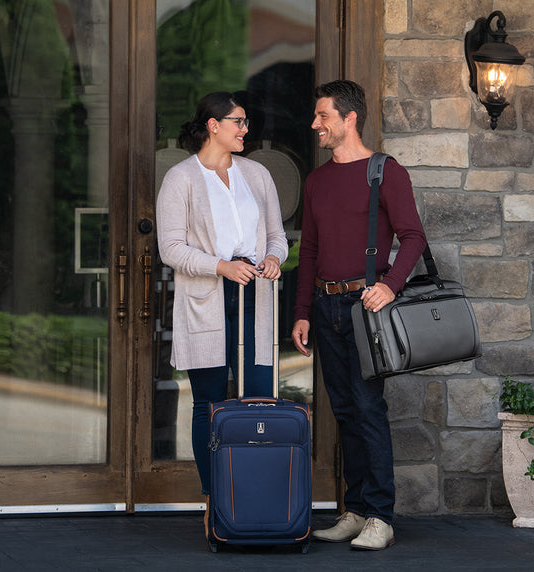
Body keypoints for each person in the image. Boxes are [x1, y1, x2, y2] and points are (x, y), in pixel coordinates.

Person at [291, 80, 426, 551]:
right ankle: (354, 510)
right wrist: (302, 310)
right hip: (325, 307)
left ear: (349, 118)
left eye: (322, 116)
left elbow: (413, 237)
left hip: (365, 308)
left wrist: (389, 286)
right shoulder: (317, 181)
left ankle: (380, 517)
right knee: (344, 412)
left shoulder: (385, 172)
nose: (315, 125)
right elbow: (308, 250)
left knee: (368, 409)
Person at [156, 91, 288, 530]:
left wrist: (273, 258)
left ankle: (257, 499)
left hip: (255, 293)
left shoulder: (257, 173)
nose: (245, 130)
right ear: (213, 124)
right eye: (238, 122)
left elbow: (276, 234)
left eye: (246, 122)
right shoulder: (181, 178)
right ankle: (216, 503)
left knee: (258, 400)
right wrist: (220, 266)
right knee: (209, 404)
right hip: (208, 297)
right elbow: (170, 248)